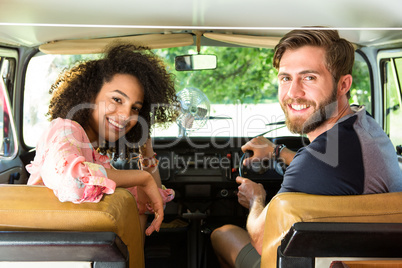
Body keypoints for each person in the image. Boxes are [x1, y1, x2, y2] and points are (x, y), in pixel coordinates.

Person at [211, 29, 402, 268]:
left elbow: (262, 239)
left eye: (309, 77)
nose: (293, 93)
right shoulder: (365, 126)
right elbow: (326, 164)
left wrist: (256, 199)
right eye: (285, 78)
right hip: (359, 257)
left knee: (223, 233)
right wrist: (278, 152)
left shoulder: (313, 166)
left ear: (343, 84)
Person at [26, 43, 178, 236]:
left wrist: (145, 148)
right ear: (90, 95)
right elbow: (75, 181)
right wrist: (142, 177)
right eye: (117, 99)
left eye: (135, 108)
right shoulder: (64, 129)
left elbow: (150, 201)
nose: (126, 115)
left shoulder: (96, 159)